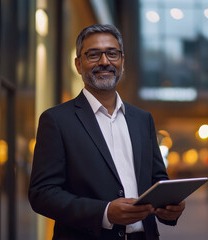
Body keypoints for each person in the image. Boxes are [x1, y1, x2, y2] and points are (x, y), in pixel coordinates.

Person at [28, 24, 185, 240]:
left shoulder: (142, 119)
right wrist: (105, 212)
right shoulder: (56, 120)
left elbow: (157, 180)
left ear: (122, 61)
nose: (104, 62)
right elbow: (42, 194)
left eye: (112, 54)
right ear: (78, 64)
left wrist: (170, 209)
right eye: (93, 55)